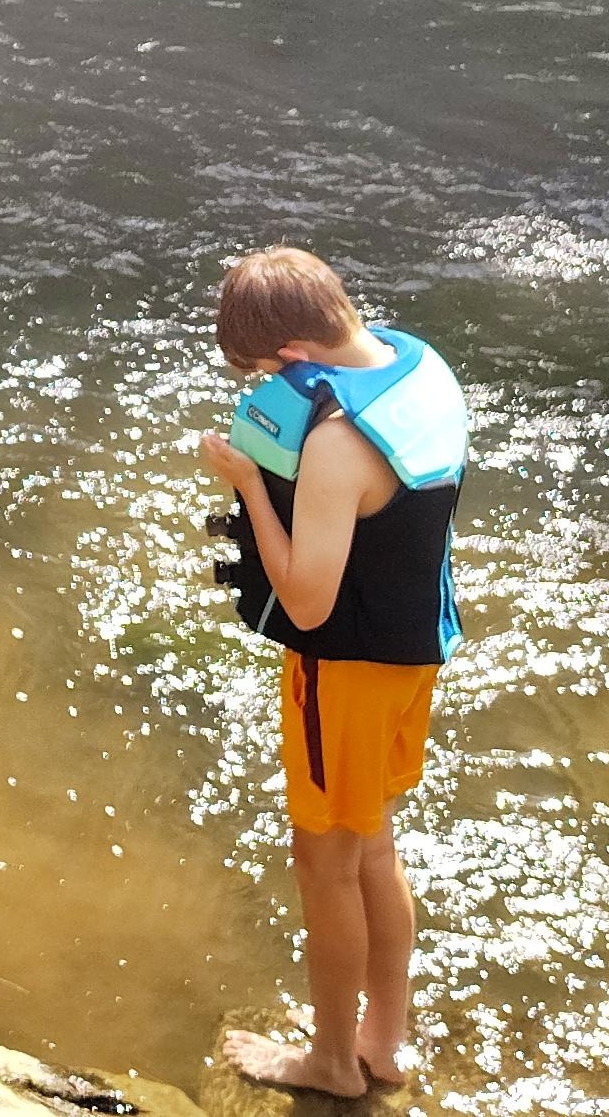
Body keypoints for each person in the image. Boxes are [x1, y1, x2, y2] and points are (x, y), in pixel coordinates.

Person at [188, 246, 472, 1098]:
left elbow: (307, 604)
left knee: (325, 867)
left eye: (262, 374)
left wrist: (245, 479)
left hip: (342, 673)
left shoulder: (338, 446)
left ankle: (332, 1064)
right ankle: (385, 1041)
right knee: (373, 845)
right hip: (414, 650)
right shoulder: (417, 365)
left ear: (295, 359)